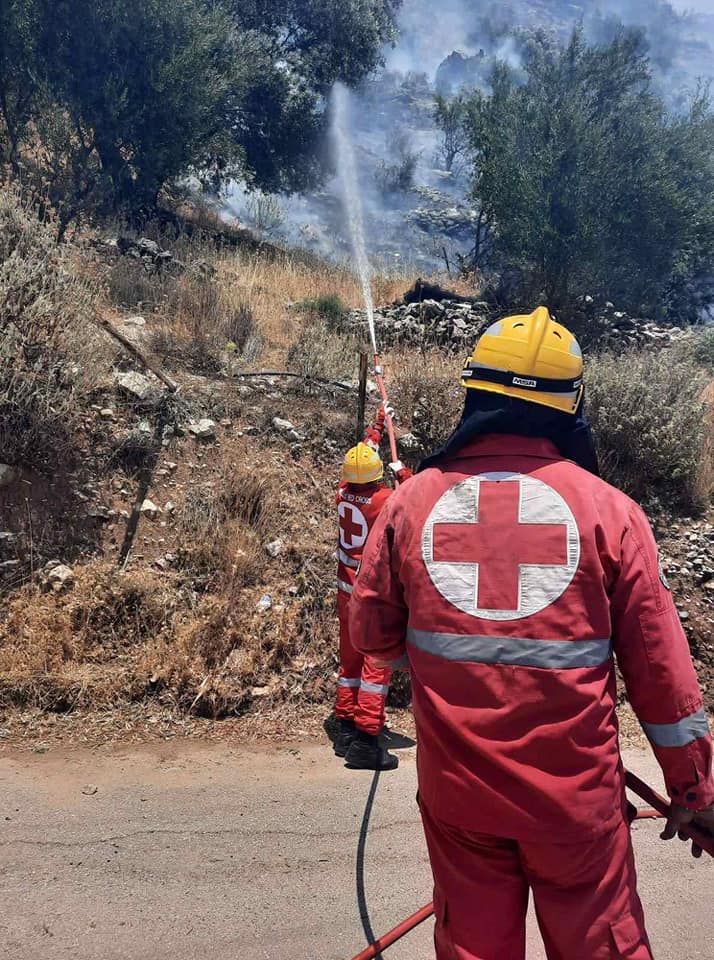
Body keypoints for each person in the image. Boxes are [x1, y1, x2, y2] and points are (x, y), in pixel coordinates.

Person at [349, 307, 714, 959]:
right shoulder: (613, 515)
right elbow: (664, 680)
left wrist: (445, 658)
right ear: (569, 407)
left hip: (460, 804)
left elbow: (372, 635)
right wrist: (694, 792)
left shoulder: (411, 502)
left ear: (476, 393)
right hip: (575, 810)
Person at [334, 402, 411, 771]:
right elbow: (413, 504)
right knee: (375, 665)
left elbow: (364, 457)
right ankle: (366, 736)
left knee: (349, 660)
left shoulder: (342, 493)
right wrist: (404, 474)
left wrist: (380, 423)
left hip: (343, 592)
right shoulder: (384, 500)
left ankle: (345, 721)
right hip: (369, 595)